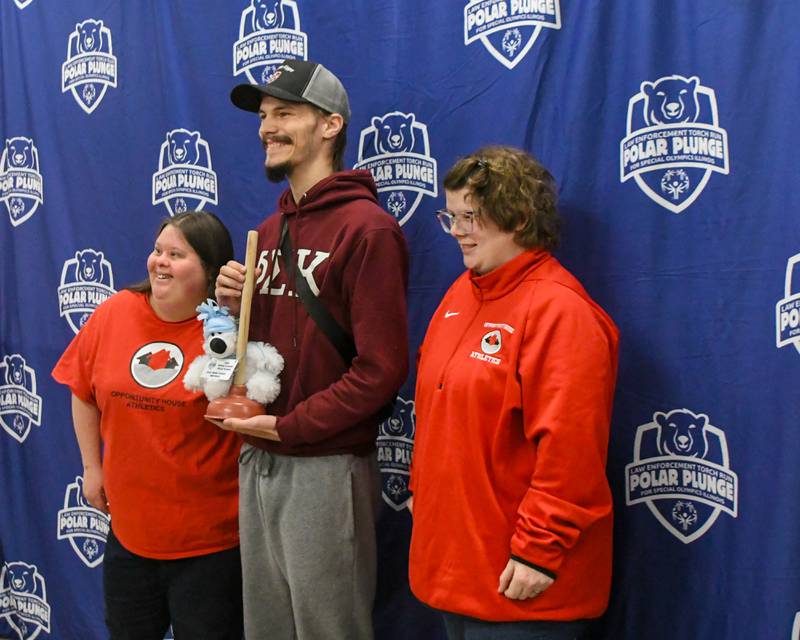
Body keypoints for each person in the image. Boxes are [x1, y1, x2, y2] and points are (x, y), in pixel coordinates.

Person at [216, 59, 409, 639]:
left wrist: (291, 427)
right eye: (264, 116)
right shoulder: (268, 230)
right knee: (267, 630)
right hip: (260, 456)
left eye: (285, 114)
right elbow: (268, 353)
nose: (267, 128)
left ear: (330, 125)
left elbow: (381, 370)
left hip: (325, 464)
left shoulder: (367, 229)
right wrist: (234, 311)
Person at [408, 146, 619, 640]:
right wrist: (422, 490)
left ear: (519, 218)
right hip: (455, 570)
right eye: (451, 217)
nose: (457, 231)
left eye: (471, 217)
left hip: (521, 586)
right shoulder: (460, 294)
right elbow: (434, 408)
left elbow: (571, 452)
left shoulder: (561, 311)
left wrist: (538, 552)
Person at [52, 211, 243, 640]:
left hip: (209, 545)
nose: (160, 262)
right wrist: (91, 467)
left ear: (210, 270)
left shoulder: (228, 333)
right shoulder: (115, 312)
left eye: (176, 255)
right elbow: (82, 390)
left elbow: (240, 407)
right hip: (129, 536)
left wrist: (232, 324)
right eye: (158, 251)